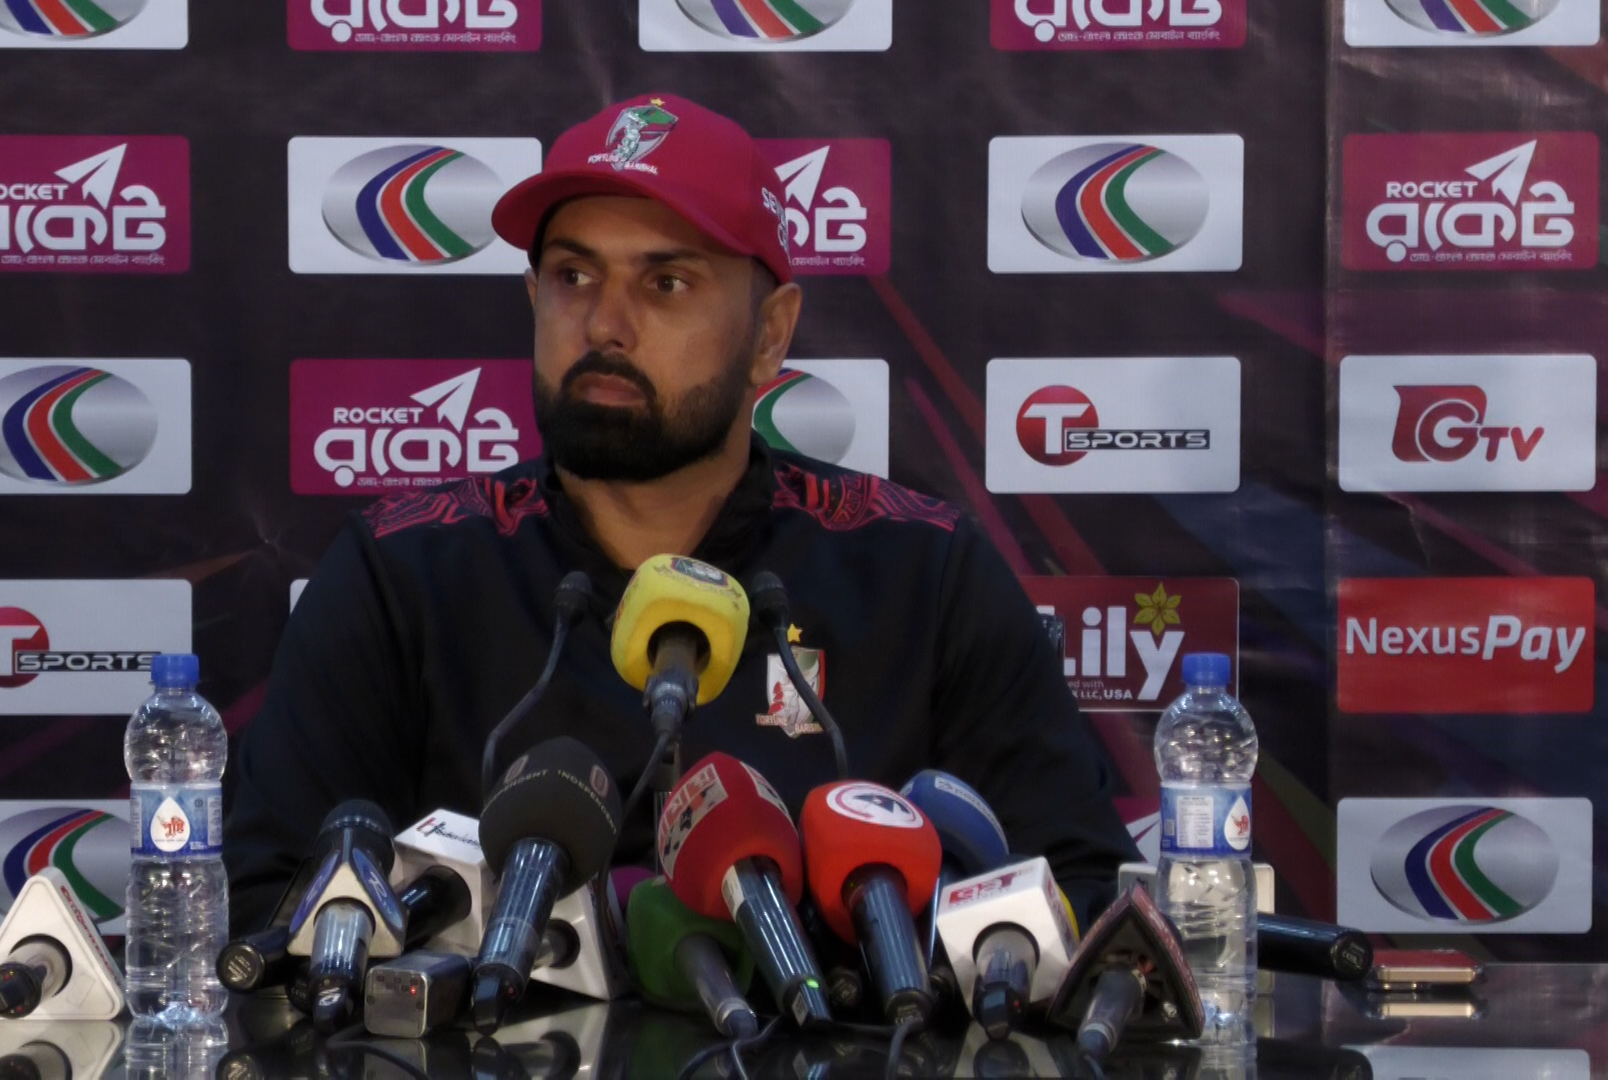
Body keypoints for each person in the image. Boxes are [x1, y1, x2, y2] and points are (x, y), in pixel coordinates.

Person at [224, 92, 1137, 932]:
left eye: (666, 283)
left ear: (770, 334)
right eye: (573, 276)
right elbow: (267, 898)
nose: (605, 324)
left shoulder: (923, 572)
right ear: (532, 298)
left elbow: (1084, 898)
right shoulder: (402, 572)